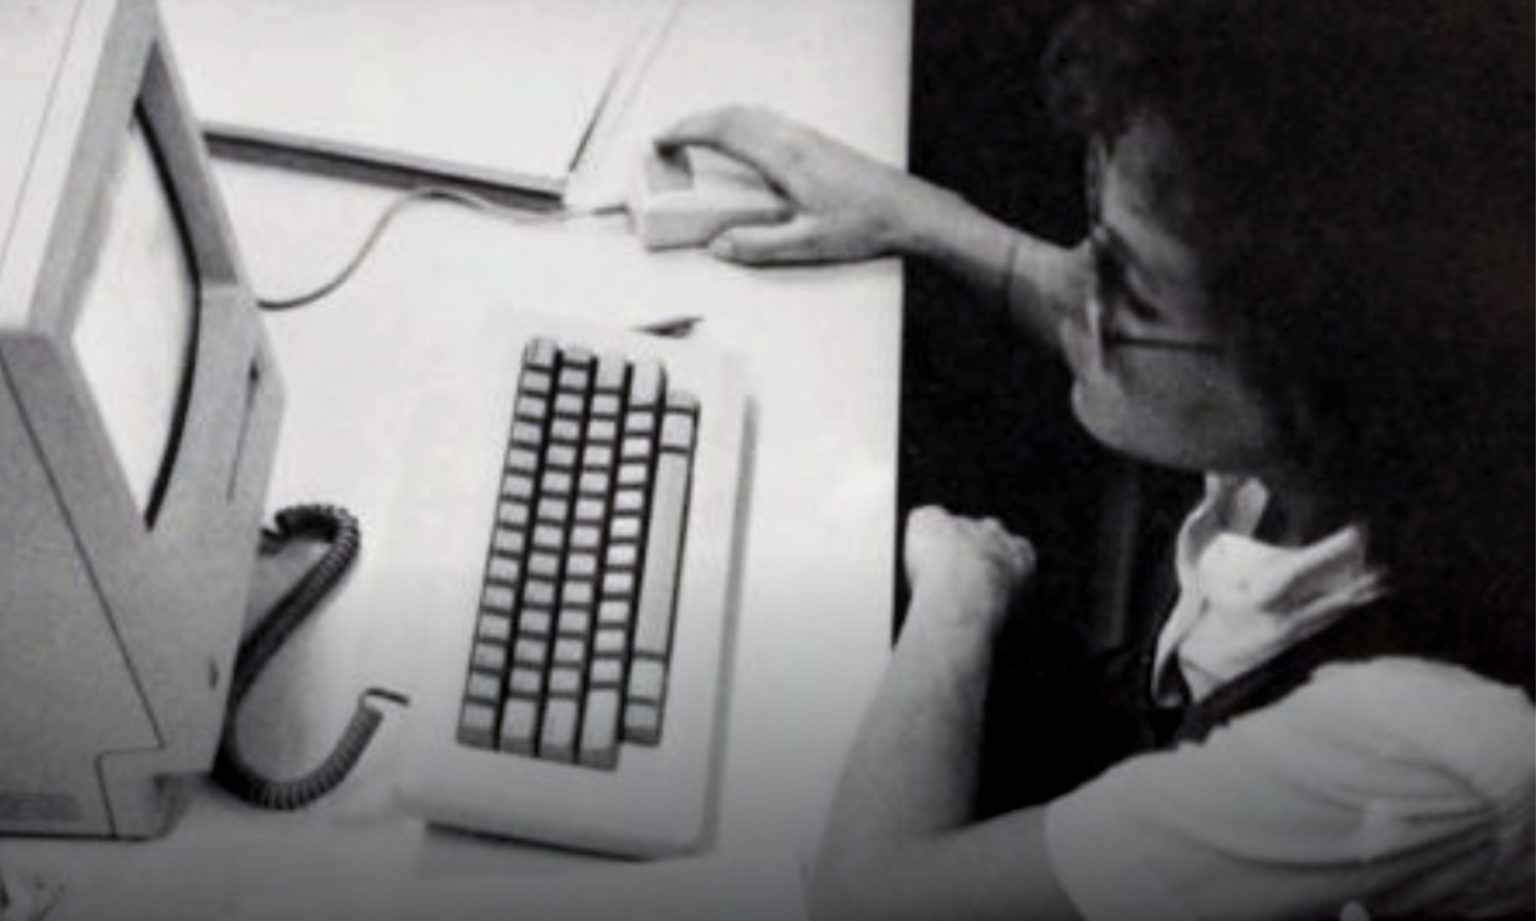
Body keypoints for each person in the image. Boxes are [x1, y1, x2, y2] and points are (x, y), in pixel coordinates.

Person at [657, 0, 1534, 919]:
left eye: (1120, 278)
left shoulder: (1417, 738)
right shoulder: (1412, 415)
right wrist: (917, 214)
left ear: (1306, 367)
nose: (1076, 293)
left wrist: (964, 595)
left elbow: (873, 897)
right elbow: (1157, 336)